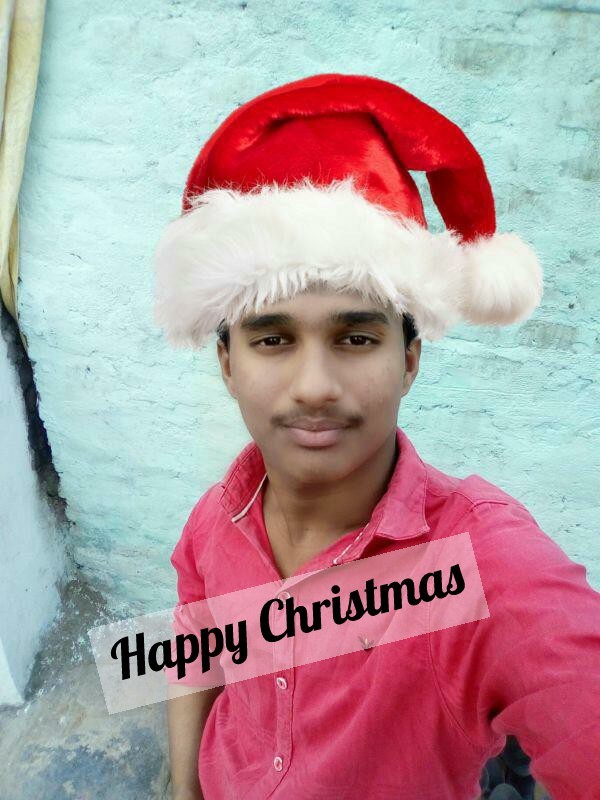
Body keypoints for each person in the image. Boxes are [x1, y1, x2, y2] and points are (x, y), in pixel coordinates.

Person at [154, 74, 600, 800]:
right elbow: (195, 646)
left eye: (356, 337)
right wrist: (183, 791)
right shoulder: (216, 519)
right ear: (227, 363)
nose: (314, 387)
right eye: (273, 339)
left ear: (410, 360)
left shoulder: (484, 566)